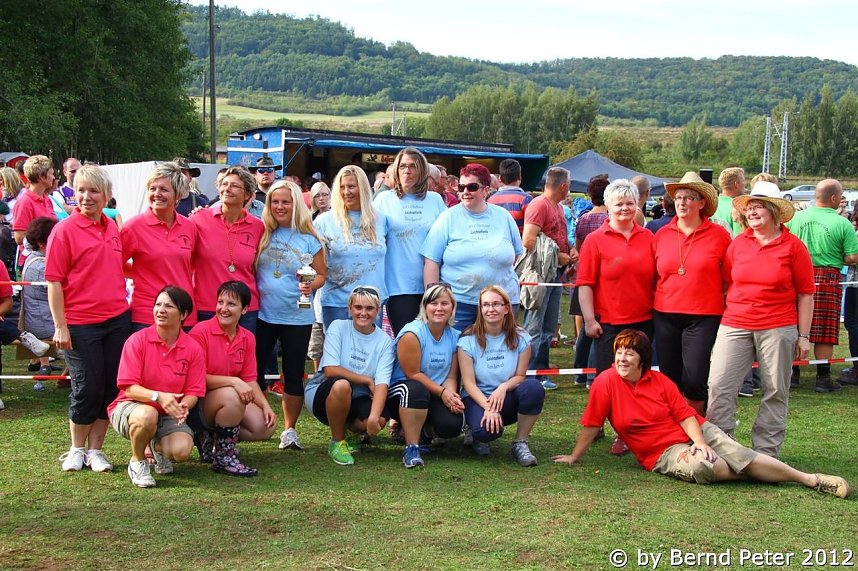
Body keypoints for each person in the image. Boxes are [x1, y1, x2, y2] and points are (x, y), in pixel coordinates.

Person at [553, 330, 850, 499]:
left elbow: (685, 415)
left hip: (695, 431)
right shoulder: (606, 382)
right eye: (619, 352)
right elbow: (591, 424)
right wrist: (575, 456)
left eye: (629, 353)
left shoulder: (660, 382)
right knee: (704, 468)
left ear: (643, 358)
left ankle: (810, 480)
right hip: (661, 453)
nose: (621, 358)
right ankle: (754, 469)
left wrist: (701, 442)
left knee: (731, 453)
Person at [706, 181, 814, 458]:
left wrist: (803, 336)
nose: (752, 213)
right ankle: (721, 446)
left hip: (779, 326)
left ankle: (766, 452)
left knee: (776, 389)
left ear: (774, 211)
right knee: (719, 384)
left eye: (758, 207)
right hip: (735, 322)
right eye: (750, 208)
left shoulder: (794, 247)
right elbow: (728, 282)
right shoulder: (738, 243)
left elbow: (805, 294)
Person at [47, 164, 132, 473]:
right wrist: (60, 325)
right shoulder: (64, 230)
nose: (86, 197)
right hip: (81, 323)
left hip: (117, 319)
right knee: (87, 387)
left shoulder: (112, 228)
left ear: (107, 196)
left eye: (94, 191)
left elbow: (120, 268)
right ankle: (76, 448)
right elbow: (54, 281)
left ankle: (97, 449)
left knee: (111, 386)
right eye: (81, 190)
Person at [108, 286, 205, 488]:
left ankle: (155, 446)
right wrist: (158, 396)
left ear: (184, 314)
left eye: (168, 306)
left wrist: (183, 406)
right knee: (147, 416)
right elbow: (129, 388)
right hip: (132, 406)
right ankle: (137, 462)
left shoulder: (193, 347)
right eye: (158, 305)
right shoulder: (137, 340)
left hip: (168, 412)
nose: (161, 310)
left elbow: (194, 391)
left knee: (182, 452)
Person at [255, 181, 326, 450]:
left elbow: (321, 274)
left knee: (294, 373)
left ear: (296, 204)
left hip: (297, 315)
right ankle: (260, 419)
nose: (280, 207)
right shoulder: (261, 232)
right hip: (262, 313)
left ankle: (289, 430)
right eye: (275, 202)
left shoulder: (310, 237)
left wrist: (311, 284)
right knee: (254, 369)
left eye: (286, 202)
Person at [652, 172, 731, 415]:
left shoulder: (719, 236)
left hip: (703, 315)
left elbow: (729, 279)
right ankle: (673, 428)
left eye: (689, 197)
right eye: (678, 197)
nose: (682, 202)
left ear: (701, 203)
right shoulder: (661, 234)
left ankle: (697, 427)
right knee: (669, 377)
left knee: (695, 378)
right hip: (665, 313)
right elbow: (653, 275)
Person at [422, 163, 524, 331]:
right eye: (461, 187)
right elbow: (431, 260)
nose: (465, 192)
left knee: (498, 353)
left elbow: (518, 254)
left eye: (472, 187)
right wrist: (433, 299)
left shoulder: (503, 217)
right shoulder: (447, 218)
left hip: (500, 303)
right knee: (457, 354)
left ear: (486, 190)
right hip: (459, 303)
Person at [189, 281, 276, 477]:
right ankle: (223, 457)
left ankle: (212, 438)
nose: (224, 309)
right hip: (199, 401)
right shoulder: (200, 332)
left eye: (231, 304)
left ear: (244, 309)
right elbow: (196, 379)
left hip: (227, 398)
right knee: (232, 395)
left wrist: (265, 405)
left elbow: (250, 379)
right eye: (220, 302)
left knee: (264, 427)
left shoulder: (247, 337)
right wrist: (233, 381)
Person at [304, 286, 394, 466]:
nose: (363, 313)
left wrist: (375, 418)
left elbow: (382, 384)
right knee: (342, 385)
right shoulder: (338, 327)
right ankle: (337, 442)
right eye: (358, 307)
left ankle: (352, 432)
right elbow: (330, 370)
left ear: (377, 311)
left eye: (369, 308)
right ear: (349, 309)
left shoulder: (385, 341)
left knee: (380, 419)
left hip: (358, 396)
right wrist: (367, 379)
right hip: (323, 391)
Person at [786, 178, 858, 392]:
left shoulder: (795, 218)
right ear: (834, 198)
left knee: (795, 324)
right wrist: (837, 257)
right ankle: (822, 378)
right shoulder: (843, 223)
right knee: (825, 330)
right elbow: (853, 257)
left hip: (796, 275)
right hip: (828, 277)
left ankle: (794, 375)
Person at [576, 178, 655, 374]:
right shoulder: (594, 241)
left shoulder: (649, 238)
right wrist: (589, 320)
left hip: (644, 322)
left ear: (637, 205)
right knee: (609, 379)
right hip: (608, 326)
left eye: (630, 203)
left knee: (640, 378)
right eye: (619, 204)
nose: (624, 208)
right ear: (608, 206)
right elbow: (585, 283)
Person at [458, 285, 544, 465]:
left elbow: (520, 376)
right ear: (480, 309)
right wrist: (488, 407)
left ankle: (520, 442)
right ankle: (475, 431)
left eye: (496, 304)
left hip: (507, 396)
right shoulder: (467, 340)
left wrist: (503, 388)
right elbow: (468, 384)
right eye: (486, 305)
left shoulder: (521, 337)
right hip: (477, 398)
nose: (491, 309)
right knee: (486, 432)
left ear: (506, 308)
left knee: (534, 388)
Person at [386, 284, 463, 468]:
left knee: (452, 424)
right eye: (433, 303)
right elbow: (412, 374)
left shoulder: (454, 336)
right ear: (425, 307)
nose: (439, 308)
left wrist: (450, 396)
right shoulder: (413, 333)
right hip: (402, 390)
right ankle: (411, 447)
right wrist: (442, 392)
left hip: (433, 392)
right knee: (416, 390)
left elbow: (451, 376)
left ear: (452, 307)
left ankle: (425, 433)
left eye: (445, 303)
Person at [373, 147, 446, 333]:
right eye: (403, 166)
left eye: (412, 166)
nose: (407, 171)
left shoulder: (435, 200)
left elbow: (447, 238)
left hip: (432, 284)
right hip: (398, 286)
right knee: (407, 341)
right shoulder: (384, 200)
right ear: (396, 170)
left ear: (422, 170)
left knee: (432, 339)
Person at [121, 162, 197, 331]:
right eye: (152, 189)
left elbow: (191, 265)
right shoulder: (133, 227)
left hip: (184, 314)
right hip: (148, 315)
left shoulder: (189, 227)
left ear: (177, 195)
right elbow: (115, 264)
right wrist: (142, 274)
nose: (157, 194)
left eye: (163, 189)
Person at [521, 166, 577, 390]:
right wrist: (558, 255)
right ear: (563, 186)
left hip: (555, 274)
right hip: (541, 274)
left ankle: (541, 371)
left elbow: (558, 236)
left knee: (548, 327)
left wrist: (570, 249)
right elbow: (528, 240)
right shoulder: (539, 205)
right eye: (569, 186)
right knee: (534, 327)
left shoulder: (558, 207)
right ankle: (529, 374)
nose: (570, 190)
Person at [190, 166, 264, 332]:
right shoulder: (198, 219)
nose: (227, 188)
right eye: (224, 184)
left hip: (245, 309)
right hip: (208, 306)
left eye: (234, 185)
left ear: (247, 195)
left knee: (241, 356)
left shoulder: (258, 226)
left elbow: (257, 267)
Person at [314, 165, 388, 328]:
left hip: (372, 303)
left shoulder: (381, 220)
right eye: (342, 187)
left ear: (362, 187)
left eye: (351, 186)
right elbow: (313, 265)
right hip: (337, 303)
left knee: (370, 352)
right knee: (337, 353)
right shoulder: (323, 221)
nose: (346, 192)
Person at [570, 175, 610, 387]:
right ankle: (593, 376)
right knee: (598, 326)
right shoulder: (609, 219)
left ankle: (579, 373)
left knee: (587, 326)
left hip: (584, 276)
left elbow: (578, 247)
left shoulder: (583, 219)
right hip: (601, 279)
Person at [20, 217, 59, 383]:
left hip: (39, 319)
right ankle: (52, 368)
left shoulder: (33, 259)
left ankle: (43, 365)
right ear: (42, 244)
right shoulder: (41, 266)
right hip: (43, 323)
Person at [14, 155, 58, 246]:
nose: (53, 177)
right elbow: (19, 237)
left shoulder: (46, 199)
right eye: (51, 174)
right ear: (42, 176)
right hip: (35, 257)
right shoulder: (25, 202)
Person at [487, 158, 533, 235]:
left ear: (500, 179)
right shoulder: (526, 199)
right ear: (520, 178)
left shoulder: (490, 200)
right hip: (519, 244)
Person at [712, 167, 745, 236]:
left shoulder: (710, 203)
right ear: (736, 184)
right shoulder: (738, 207)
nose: (744, 184)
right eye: (743, 181)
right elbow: (738, 237)